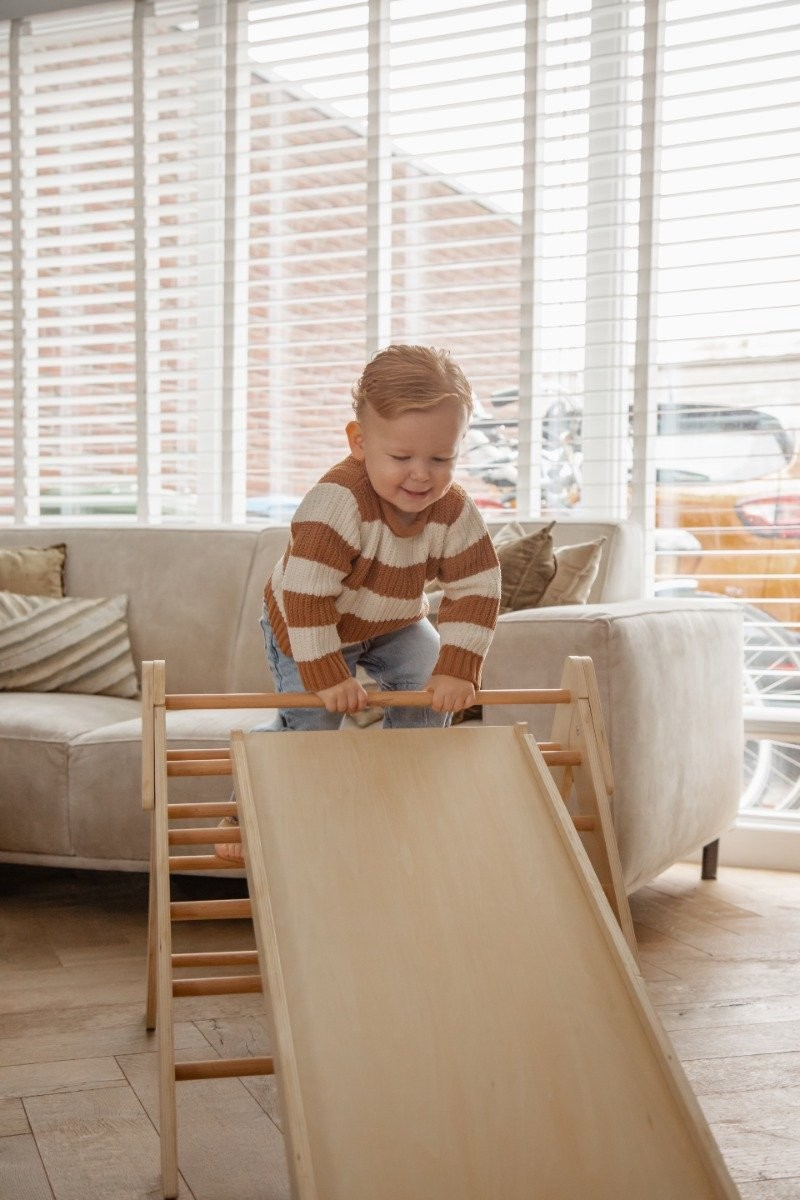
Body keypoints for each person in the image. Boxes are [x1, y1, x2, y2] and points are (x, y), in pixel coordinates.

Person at [215, 343, 501, 862]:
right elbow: (306, 596)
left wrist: (458, 667)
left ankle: (399, 789)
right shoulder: (336, 502)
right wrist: (327, 674)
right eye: (402, 458)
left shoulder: (455, 511)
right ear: (359, 442)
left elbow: (477, 586)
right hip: (308, 621)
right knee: (312, 725)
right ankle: (247, 799)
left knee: (426, 679)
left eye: (441, 459)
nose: (422, 474)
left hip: (392, 620)